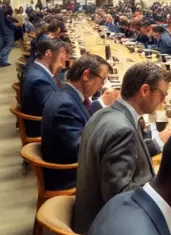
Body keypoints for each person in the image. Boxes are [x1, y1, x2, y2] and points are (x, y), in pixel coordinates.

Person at [72, 62, 171, 235]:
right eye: (162, 94)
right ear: (144, 91)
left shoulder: (105, 113)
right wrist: (164, 191)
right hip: (110, 230)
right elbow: (119, 195)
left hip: (94, 212)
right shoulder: (122, 130)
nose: (164, 100)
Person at [41, 55, 118, 191]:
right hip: (70, 177)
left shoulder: (68, 94)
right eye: (103, 79)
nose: (102, 85)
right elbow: (82, 151)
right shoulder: (65, 106)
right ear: (86, 75)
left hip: (72, 164)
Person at [20, 36, 71, 137]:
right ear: (48, 55)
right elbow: (56, 111)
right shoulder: (39, 81)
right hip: (44, 131)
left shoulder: (36, 68)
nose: (62, 65)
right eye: (61, 60)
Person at [0, 0, 18, 67]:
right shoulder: (4, 9)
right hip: (4, 29)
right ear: (8, 3)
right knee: (9, 44)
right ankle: (3, 60)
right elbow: (6, 20)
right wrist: (14, 26)